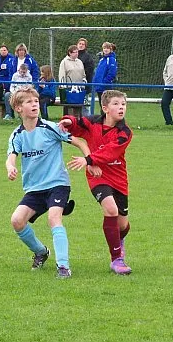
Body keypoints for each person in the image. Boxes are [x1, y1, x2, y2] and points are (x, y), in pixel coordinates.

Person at [5, 87, 92, 279]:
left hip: (57, 183)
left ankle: (63, 267)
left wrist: (88, 160)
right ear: (18, 108)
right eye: (29, 102)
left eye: (36, 101)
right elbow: (11, 156)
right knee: (17, 221)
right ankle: (41, 252)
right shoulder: (17, 135)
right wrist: (10, 167)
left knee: (54, 218)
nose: (35, 104)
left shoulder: (50, 128)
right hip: (35, 189)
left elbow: (80, 142)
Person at [60, 90, 133, 275]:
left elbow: (111, 151)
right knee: (110, 209)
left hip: (118, 178)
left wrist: (89, 159)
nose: (121, 107)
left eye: (123, 104)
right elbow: (77, 125)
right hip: (97, 176)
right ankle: (117, 259)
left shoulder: (125, 132)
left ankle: (118, 240)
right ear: (105, 108)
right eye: (116, 104)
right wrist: (68, 120)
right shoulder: (92, 122)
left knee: (122, 225)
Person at [0, 45, 16, 119]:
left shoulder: (12, 59)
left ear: (7, 51)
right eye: (1, 50)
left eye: (4, 50)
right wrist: (0, 68)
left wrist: (5, 68)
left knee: (8, 95)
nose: (3, 52)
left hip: (8, 80)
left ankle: (11, 114)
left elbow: (10, 69)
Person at [93, 42, 118, 111]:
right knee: (102, 106)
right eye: (104, 48)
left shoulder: (111, 59)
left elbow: (112, 73)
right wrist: (95, 82)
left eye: (107, 48)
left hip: (105, 86)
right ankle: (103, 121)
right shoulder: (102, 59)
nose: (105, 50)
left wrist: (105, 82)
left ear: (111, 49)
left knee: (106, 106)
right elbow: (98, 73)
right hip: (99, 86)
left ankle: (108, 121)